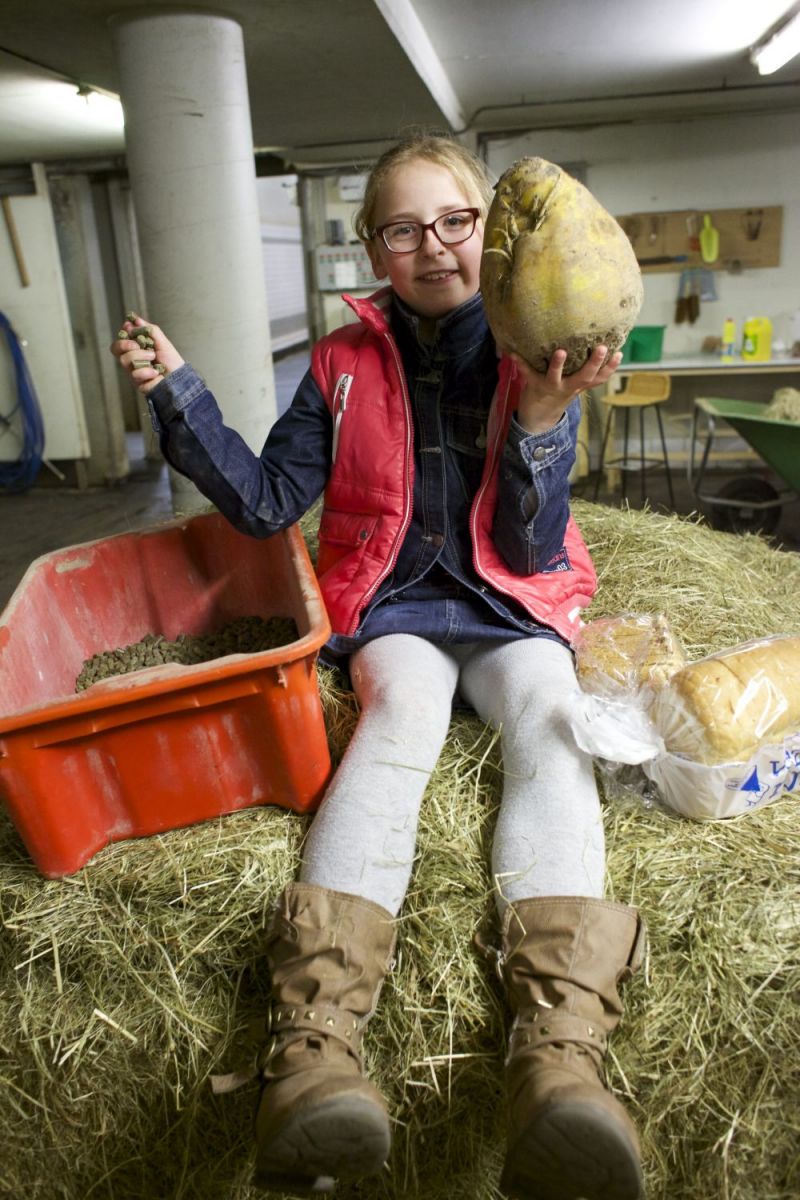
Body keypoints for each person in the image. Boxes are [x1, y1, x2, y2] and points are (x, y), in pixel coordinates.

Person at [111, 132, 645, 1200]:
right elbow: (268, 504)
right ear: (372, 248)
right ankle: (312, 1049)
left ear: (491, 237)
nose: (431, 247)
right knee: (398, 715)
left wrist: (540, 423)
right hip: (394, 601)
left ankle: (558, 1057)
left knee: (547, 724)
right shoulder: (337, 363)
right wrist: (181, 396)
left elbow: (536, 549)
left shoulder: (534, 347)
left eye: (454, 222)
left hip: (509, 598)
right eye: (400, 230)